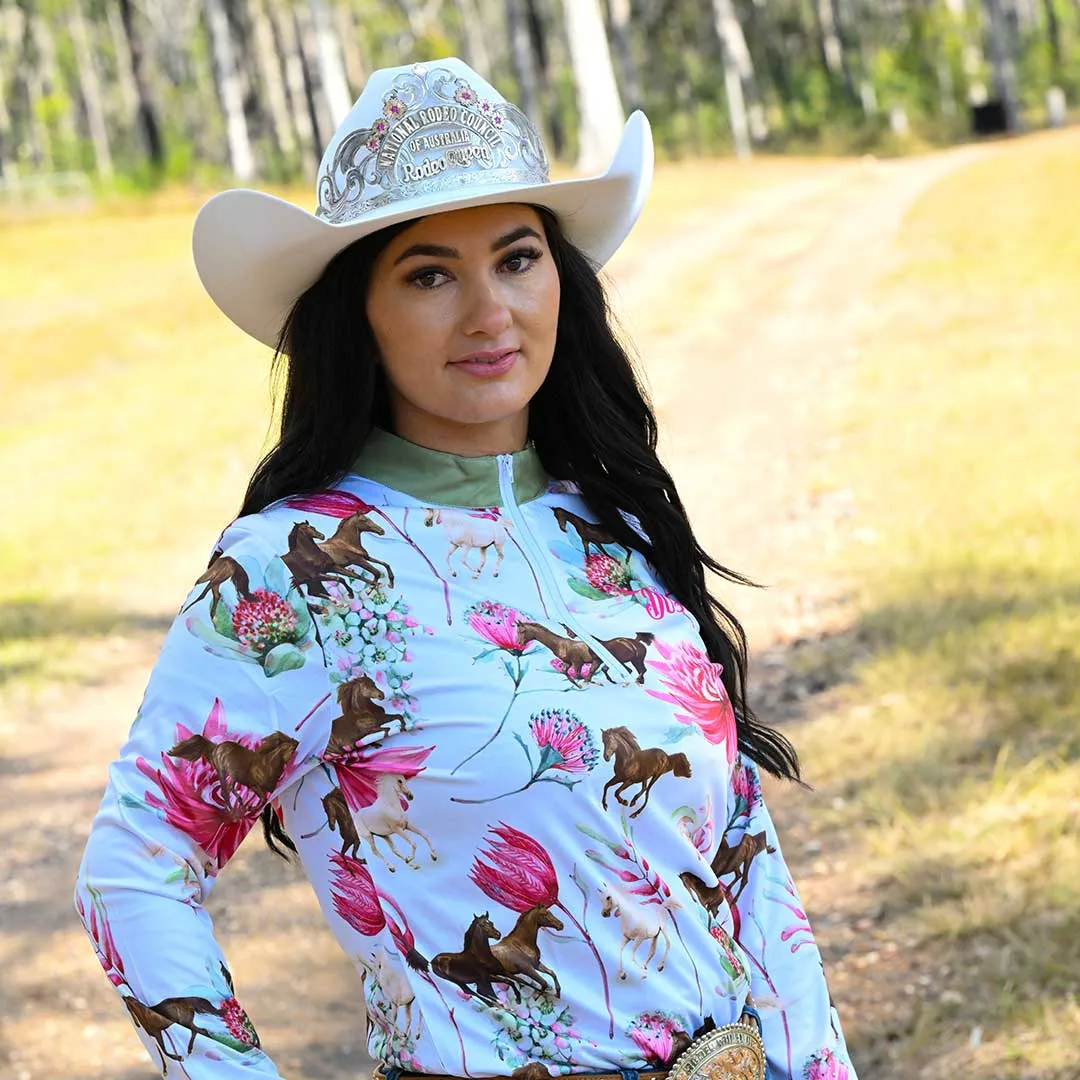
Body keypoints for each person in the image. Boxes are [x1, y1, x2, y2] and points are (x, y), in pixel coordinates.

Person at [75, 57, 857, 1080]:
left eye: (518, 259)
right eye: (431, 274)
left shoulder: (614, 525)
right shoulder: (291, 575)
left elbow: (744, 854)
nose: (491, 312)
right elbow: (133, 871)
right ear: (356, 312)